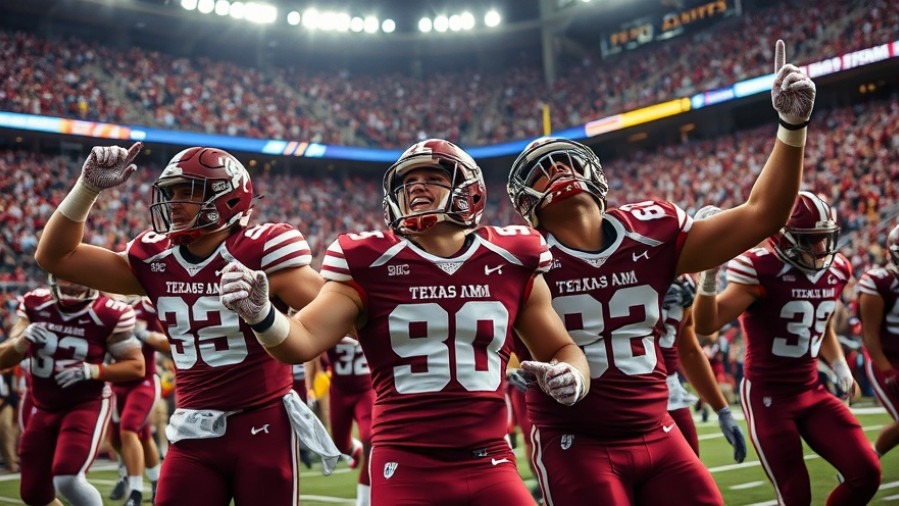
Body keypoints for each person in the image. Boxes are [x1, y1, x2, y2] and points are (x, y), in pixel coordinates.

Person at [503, 39, 811, 506]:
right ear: (529, 207)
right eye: (542, 172)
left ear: (596, 177)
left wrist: (791, 128)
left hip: (658, 428)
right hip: (575, 440)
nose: (558, 169)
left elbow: (762, 215)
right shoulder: (519, 257)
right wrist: (518, 367)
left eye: (565, 160)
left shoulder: (652, 230)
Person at [219, 138, 591, 506]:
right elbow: (300, 340)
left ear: (470, 190)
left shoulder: (513, 257)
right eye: (407, 181)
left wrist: (574, 377)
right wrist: (263, 315)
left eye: (432, 176)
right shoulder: (368, 262)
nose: (415, 186)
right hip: (405, 464)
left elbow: (561, 348)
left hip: (491, 459)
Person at [34, 145, 327, 505]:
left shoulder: (263, 251)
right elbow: (55, 257)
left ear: (230, 198)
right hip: (192, 429)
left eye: (188, 191)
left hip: (261, 425)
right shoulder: (155, 258)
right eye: (170, 191)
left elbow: (339, 323)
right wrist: (87, 189)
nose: (173, 201)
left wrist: (267, 316)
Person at [692, 192, 882, 505]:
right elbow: (706, 324)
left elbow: (822, 325)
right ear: (783, 239)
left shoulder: (836, 269)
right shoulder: (759, 268)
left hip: (811, 389)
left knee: (866, 472)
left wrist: (839, 366)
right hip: (769, 398)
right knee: (795, 496)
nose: (821, 249)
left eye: (824, 238)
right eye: (810, 241)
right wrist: (710, 273)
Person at [0, 276, 145, 506]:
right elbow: (2, 358)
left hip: (86, 403)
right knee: (33, 494)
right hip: (42, 406)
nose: (69, 284)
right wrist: (19, 343)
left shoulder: (108, 313)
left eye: (75, 277)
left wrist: (93, 371)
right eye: (63, 277)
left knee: (67, 478)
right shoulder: (35, 303)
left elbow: (137, 366)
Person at [660, 275, 745, 458]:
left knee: (690, 482)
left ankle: (704, 407)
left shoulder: (684, 281)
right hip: (610, 401)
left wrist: (722, 410)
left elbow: (690, 349)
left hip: (669, 395)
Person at [107, 296, 166, 506]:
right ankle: (156, 481)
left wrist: (144, 334)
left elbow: (170, 343)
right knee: (122, 437)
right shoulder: (105, 308)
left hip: (143, 381)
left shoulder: (146, 306)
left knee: (129, 429)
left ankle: (135, 492)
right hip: (116, 382)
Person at [858, 223, 899, 459]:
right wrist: (887, 369)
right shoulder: (878, 281)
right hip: (885, 357)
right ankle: (869, 461)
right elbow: (870, 334)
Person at [324, 334, 374, 506]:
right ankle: (354, 449)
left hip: (366, 391)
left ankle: (364, 500)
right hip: (339, 391)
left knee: (370, 438)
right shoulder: (330, 322)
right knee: (339, 445)